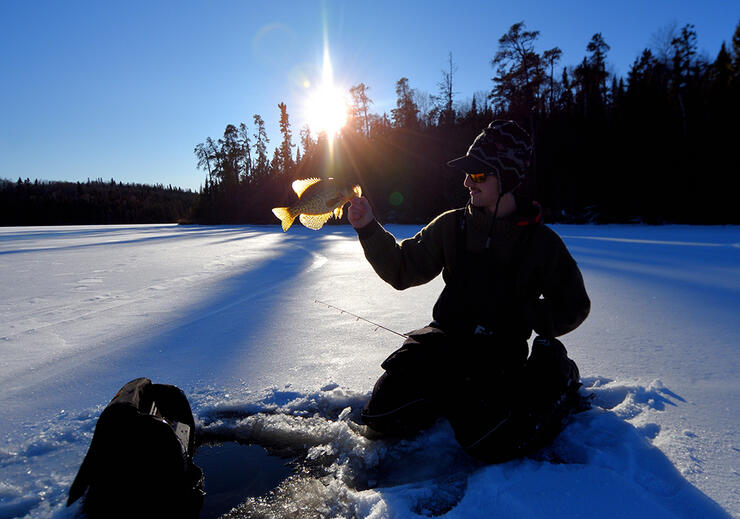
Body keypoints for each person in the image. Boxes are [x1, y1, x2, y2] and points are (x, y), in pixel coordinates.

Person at [347, 120, 591, 462]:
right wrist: (368, 228)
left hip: (499, 355)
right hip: (444, 342)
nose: (466, 182)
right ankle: (445, 395)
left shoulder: (541, 244)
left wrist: (527, 312)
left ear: (507, 177)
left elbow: (574, 304)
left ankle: (555, 370)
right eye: (467, 173)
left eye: (478, 175)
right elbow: (403, 269)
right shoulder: (451, 225)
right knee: (381, 415)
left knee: (489, 442)